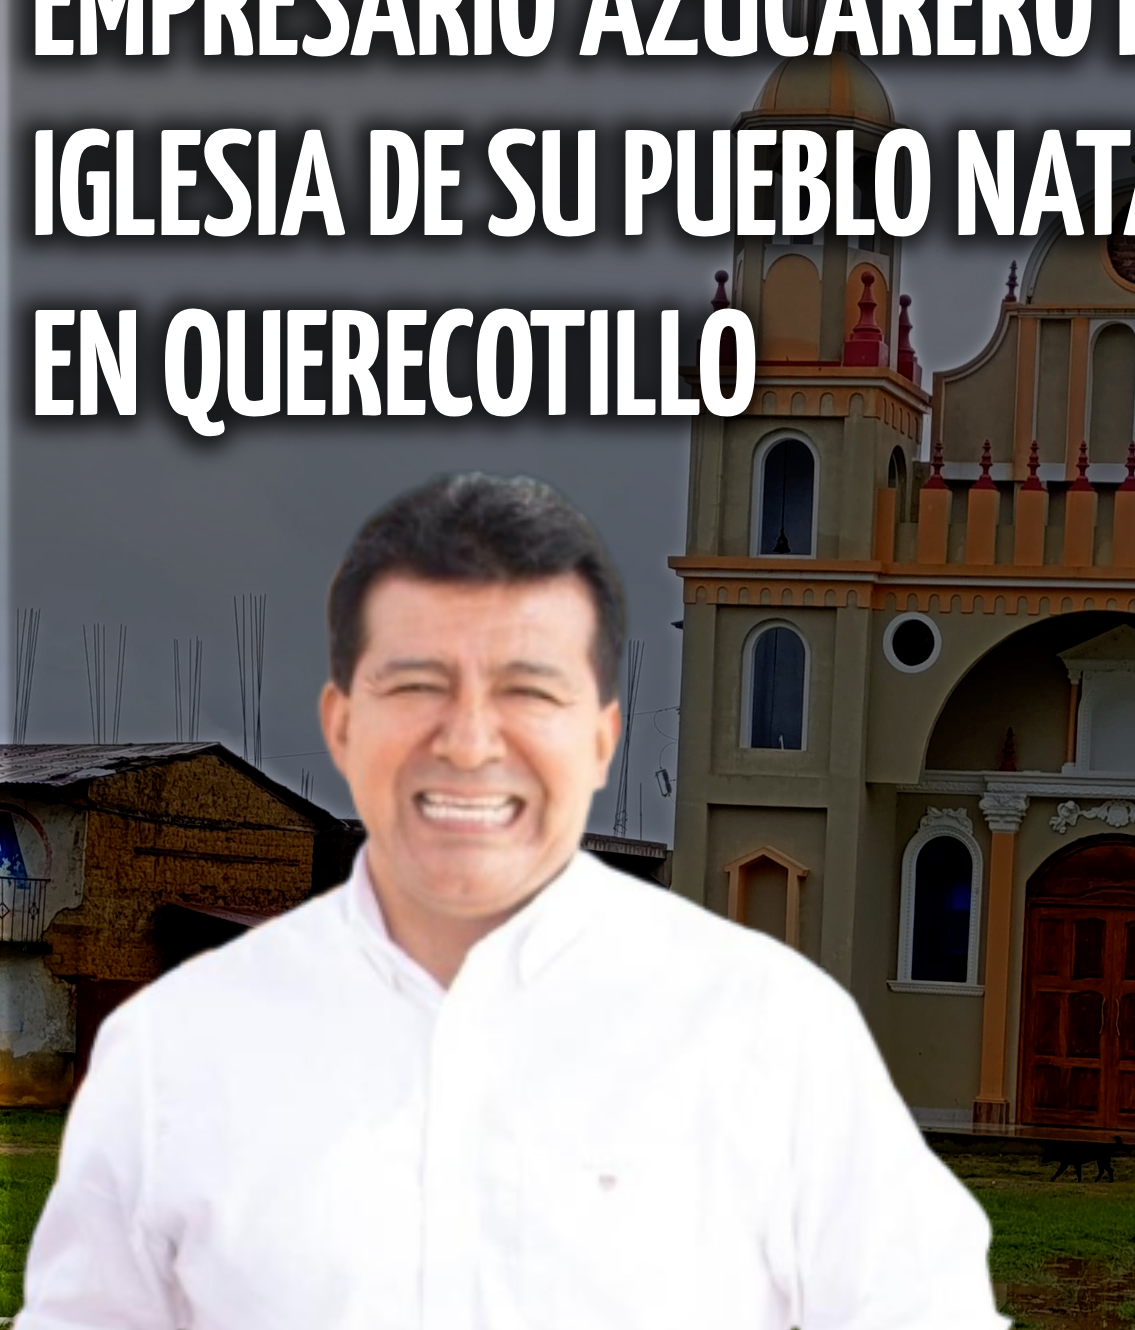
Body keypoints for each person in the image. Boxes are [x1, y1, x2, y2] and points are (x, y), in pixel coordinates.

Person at [19, 472, 1008, 1330]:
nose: (471, 740)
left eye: (529, 691)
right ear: (341, 723)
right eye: (417, 686)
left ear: (602, 736)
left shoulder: (771, 1038)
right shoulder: (177, 1055)